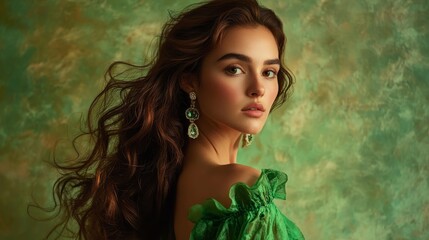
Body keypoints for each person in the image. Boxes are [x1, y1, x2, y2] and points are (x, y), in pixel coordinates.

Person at [48, 0, 304, 239]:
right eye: (234, 69)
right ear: (189, 79)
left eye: (269, 72)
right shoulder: (242, 189)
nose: (258, 88)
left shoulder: (171, 184)